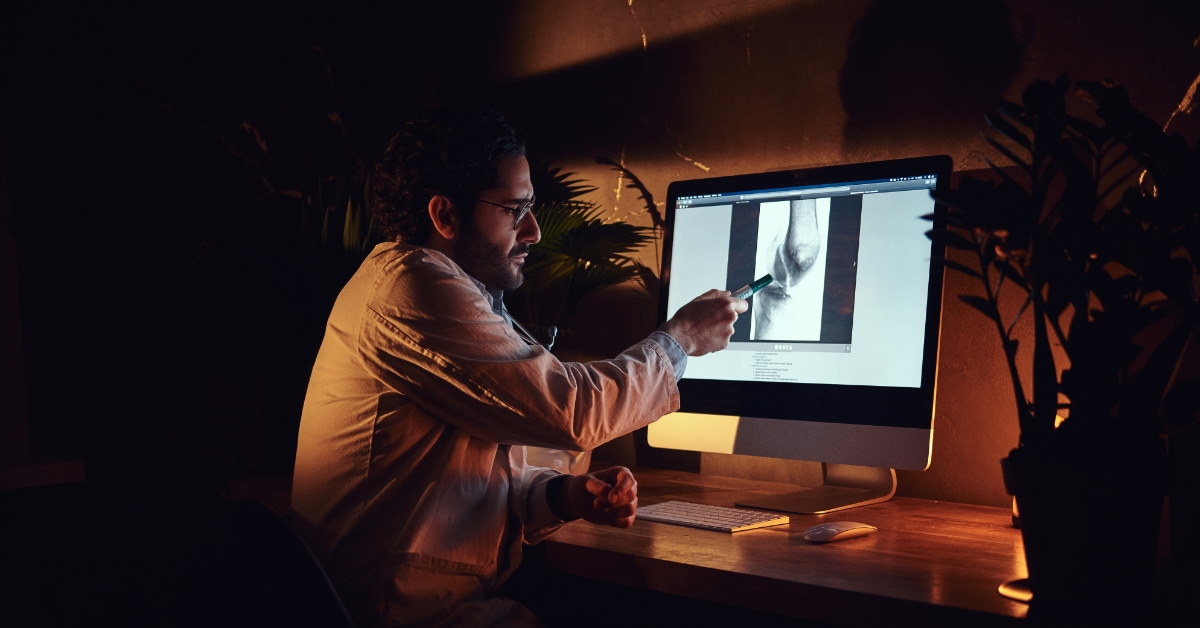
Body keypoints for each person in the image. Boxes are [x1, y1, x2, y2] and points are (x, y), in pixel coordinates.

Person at [290, 106, 747, 628]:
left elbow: (457, 483)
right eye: (514, 209)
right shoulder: (411, 287)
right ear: (444, 215)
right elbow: (570, 412)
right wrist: (681, 339)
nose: (533, 231)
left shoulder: (436, 287)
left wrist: (562, 495)